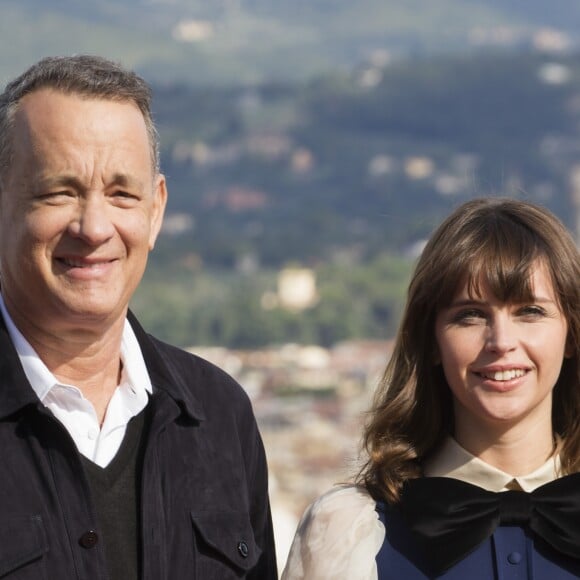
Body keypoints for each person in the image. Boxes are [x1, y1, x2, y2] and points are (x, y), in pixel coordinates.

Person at [0, 55, 277, 579]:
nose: (94, 226)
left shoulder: (220, 417)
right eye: (60, 192)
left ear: (156, 211)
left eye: (122, 194)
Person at [282, 197, 580, 579]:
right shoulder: (350, 532)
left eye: (529, 312)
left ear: (571, 334)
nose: (501, 341)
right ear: (432, 340)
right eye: (470, 315)